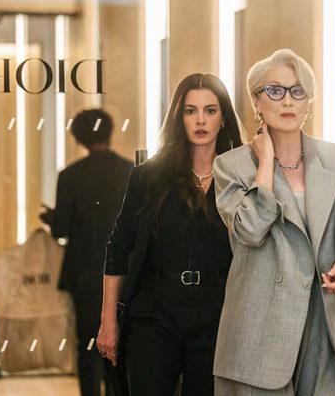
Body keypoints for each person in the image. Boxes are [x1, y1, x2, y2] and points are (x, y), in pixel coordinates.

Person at [212, 49, 335, 395]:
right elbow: (250, 230)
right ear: (256, 101)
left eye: (298, 90)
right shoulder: (231, 166)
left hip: (326, 329)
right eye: (275, 91)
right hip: (258, 334)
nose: (288, 101)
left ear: (309, 101)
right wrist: (266, 162)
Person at [97, 73, 243, 395]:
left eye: (210, 110)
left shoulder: (241, 178)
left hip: (216, 314)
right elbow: (118, 247)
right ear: (179, 118)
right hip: (154, 312)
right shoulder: (148, 176)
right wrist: (108, 320)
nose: (200, 120)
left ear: (223, 118)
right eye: (190, 111)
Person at [39, 109, 132, 396]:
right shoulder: (131, 171)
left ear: (78, 138)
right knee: (122, 342)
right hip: (124, 269)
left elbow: (61, 228)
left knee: (88, 344)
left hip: (84, 272)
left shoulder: (70, 176)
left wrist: (50, 218)